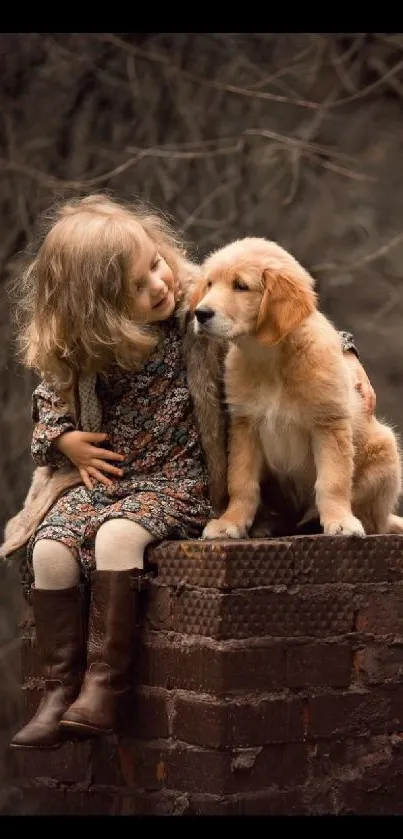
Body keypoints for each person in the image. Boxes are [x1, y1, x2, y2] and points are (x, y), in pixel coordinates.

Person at [4, 193, 378, 750]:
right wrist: (62, 439)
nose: (160, 285)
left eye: (156, 263)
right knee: (49, 550)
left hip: (178, 482)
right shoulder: (90, 342)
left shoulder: (195, 298)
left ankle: (106, 684)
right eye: (136, 286)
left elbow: (283, 306)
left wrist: (345, 352)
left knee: (117, 538)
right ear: (96, 308)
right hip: (105, 481)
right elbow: (52, 389)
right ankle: (58, 691)